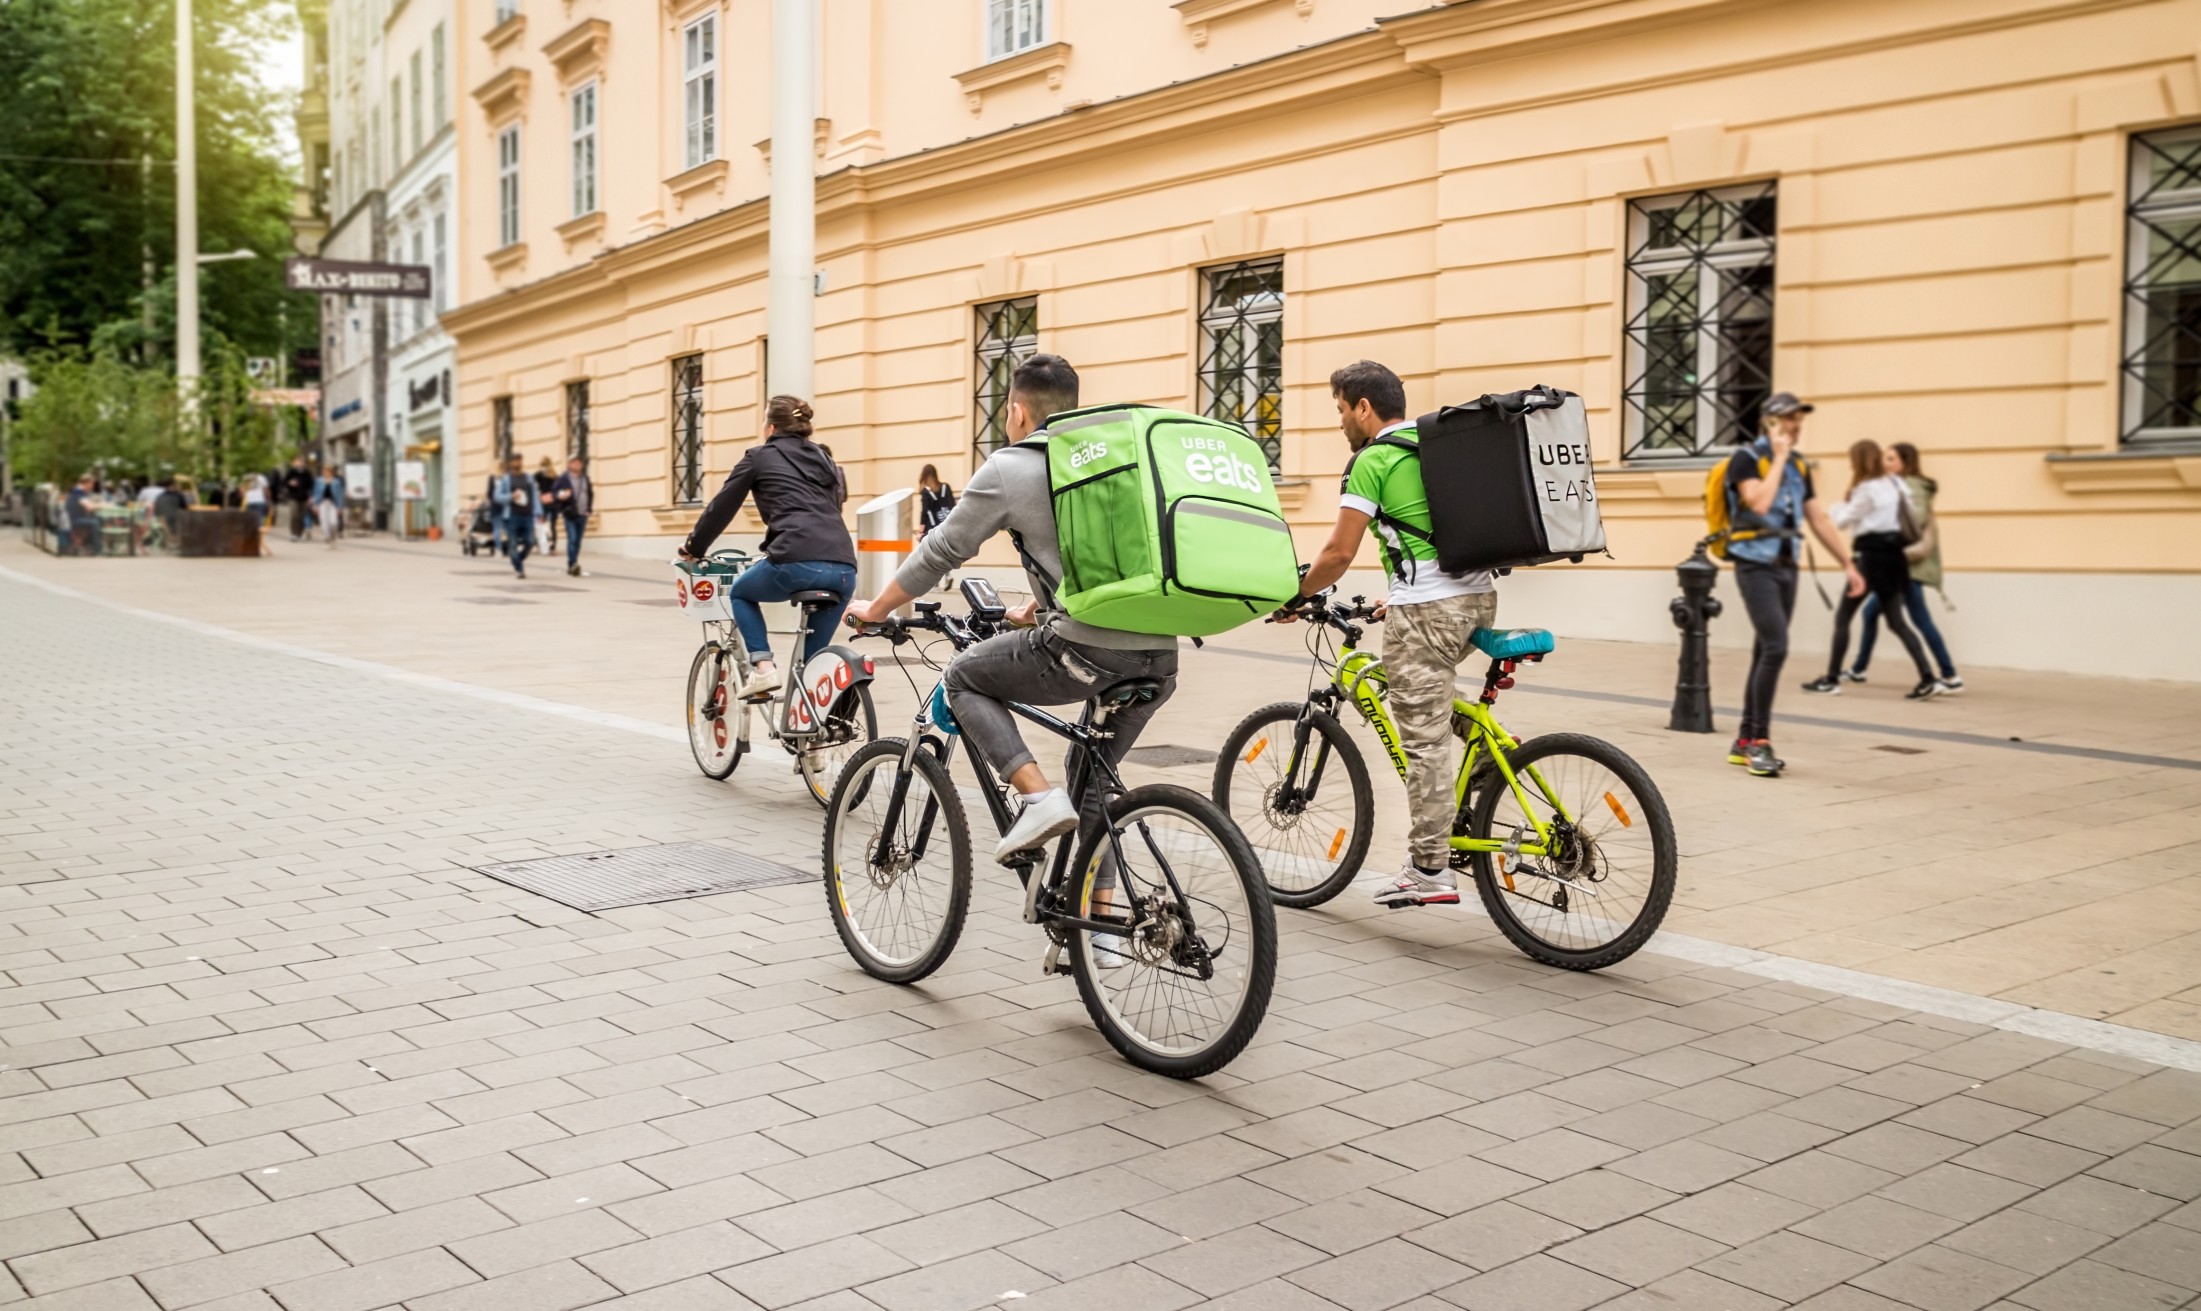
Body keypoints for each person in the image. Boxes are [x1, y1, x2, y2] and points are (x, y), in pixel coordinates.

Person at [845, 355, 1179, 864]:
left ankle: (1038, 797)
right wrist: (1044, 608)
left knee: (962, 677)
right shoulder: (1109, 464)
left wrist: (878, 607)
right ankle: (1105, 932)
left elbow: (942, 550)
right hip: (1160, 652)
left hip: (1088, 650)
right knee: (1093, 790)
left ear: (1018, 411)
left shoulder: (1012, 466)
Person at [1287, 361, 1497, 907]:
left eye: (1339, 410)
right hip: (1476, 601)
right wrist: (1395, 597)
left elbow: (1337, 554)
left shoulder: (1375, 460)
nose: (1339, 423)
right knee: (1420, 695)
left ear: (1363, 407)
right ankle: (1490, 762)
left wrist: (1300, 595)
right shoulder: (1435, 448)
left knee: (1422, 741)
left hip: (1428, 611)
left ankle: (1429, 869)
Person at [1718, 393, 1864, 777]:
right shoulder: (1747, 459)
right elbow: (1759, 503)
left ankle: (1744, 740)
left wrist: (1848, 564)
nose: (1796, 426)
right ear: (1769, 422)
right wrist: (1779, 458)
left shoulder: (1800, 466)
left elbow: (1817, 520)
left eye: (1799, 420)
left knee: (1764, 649)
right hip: (1755, 565)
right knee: (1777, 647)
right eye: (1788, 420)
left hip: (1788, 566)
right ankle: (1760, 743)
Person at [678, 395, 856, 700]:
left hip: (795, 560)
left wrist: (695, 546)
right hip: (843, 567)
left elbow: (722, 507)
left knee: (741, 592)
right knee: (811, 665)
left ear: (770, 427)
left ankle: (763, 666)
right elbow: (831, 505)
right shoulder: (824, 458)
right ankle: (812, 740)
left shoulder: (759, 456)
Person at [1802, 439, 1947, 701]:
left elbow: (1843, 521)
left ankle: (1832, 679)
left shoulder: (1867, 489)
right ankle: (1928, 677)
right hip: (1895, 557)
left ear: (1858, 461)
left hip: (1870, 558)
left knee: (1843, 617)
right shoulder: (1896, 483)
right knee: (1897, 622)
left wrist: (1835, 507)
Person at [1846, 441, 1961, 691]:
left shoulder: (1914, 486)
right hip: (1898, 564)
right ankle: (1858, 669)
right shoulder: (1896, 485)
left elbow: (1911, 522)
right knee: (1871, 613)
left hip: (1908, 566)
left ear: (1904, 463)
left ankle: (1950, 676)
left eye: (1890, 459)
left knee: (1920, 619)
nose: (1884, 463)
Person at [493, 454, 540, 579]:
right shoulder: (506, 479)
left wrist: (539, 512)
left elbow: (534, 495)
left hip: (528, 516)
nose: (517, 463)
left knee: (530, 542)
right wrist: (511, 496)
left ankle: (517, 559)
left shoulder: (528, 478)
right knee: (512, 544)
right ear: (510, 463)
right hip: (512, 516)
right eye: (514, 461)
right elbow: (497, 496)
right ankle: (519, 569)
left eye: (519, 460)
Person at [551, 456, 592, 577]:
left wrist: (589, 509)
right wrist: (561, 496)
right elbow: (554, 493)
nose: (577, 464)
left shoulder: (585, 478)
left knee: (578, 541)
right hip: (569, 513)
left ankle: (574, 562)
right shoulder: (563, 478)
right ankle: (572, 564)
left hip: (583, 513)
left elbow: (590, 493)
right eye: (574, 462)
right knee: (572, 538)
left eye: (579, 462)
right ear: (569, 464)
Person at [917, 464, 956, 539]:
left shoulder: (926, 492)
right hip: (948, 528)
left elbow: (925, 512)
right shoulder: (946, 487)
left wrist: (920, 532)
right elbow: (953, 505)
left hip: (933, 530)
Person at [282, 457, 314, 541]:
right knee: (294, 515)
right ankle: (293, 533)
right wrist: (289, 483)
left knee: (301, 516)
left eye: (301, 462)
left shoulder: (307, 473)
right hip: (293, 497)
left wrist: (310, 496)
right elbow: (284, 482)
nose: (299, 463)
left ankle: (299, 533)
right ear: (294, 463)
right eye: (297, 462)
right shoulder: (291, 472)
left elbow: (311, 485)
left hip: (304, 498)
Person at [314, 466, 344, 546]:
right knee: (324, 521)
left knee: (333, 522)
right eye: (323, 471)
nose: (325, 473)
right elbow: (316, 493)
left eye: (327, 471)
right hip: (322, 503)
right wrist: (315, 505)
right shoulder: (319, 481)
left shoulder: (336, 482)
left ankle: (333, 536)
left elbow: (340, 494)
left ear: (331, 472)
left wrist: (340, 507)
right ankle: (327, 537)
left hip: (333, 503)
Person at [535, 457, 561, 552]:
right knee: (552, 526)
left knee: (542, 525)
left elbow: (531, 482)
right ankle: (553, 546)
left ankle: (544, 545)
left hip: (544, 503)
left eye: (543, 465)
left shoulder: (540, 475)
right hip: (554, 503)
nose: (543, 467)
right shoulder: (555, 475)